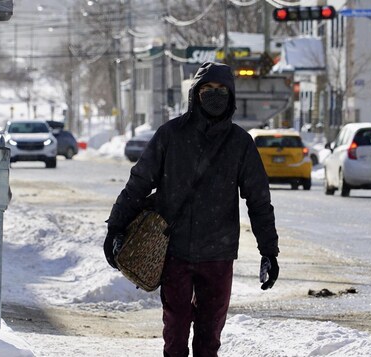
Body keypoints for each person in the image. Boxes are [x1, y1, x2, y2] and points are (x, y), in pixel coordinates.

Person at [104, 61, 280, 357]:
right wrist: (115, 228)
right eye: (207, 89)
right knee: (175, 335)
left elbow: (259, 201)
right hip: (174, 250)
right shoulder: (170, 135)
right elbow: (138, 184)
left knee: (209, 339)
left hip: (219, 255)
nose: (214, 95)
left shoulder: (240, 143)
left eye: (221, 89)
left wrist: (269, 252)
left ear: (231, 95)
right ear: (195, 93)